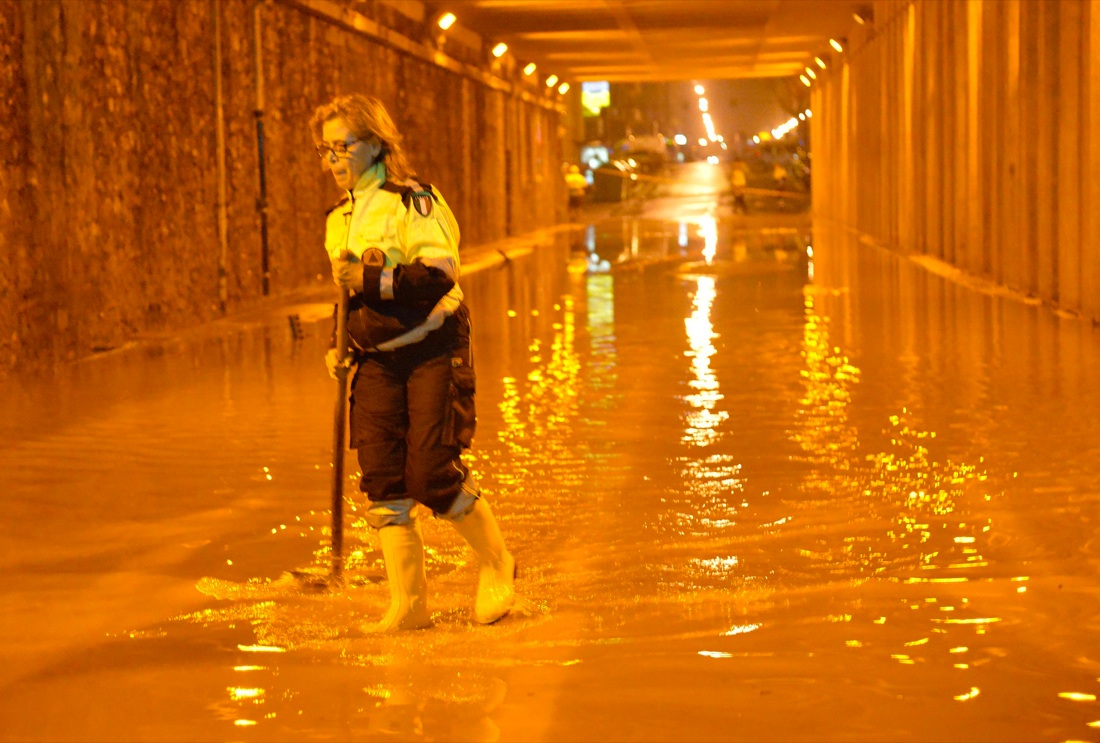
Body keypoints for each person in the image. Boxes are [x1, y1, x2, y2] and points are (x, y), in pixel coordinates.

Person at [308, 93, 516, 631]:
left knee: (430, 473)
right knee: (383, 479)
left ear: (376, 143)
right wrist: (339, 345)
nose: (332, 160)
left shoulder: (414, 200)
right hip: (376, 360)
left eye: (342, 146)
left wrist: (369, 278)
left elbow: (440, 275)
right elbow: (347, 299)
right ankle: (409, 606)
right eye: (325, 150)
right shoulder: (337, 219)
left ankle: (497, 564)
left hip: (433, 348)